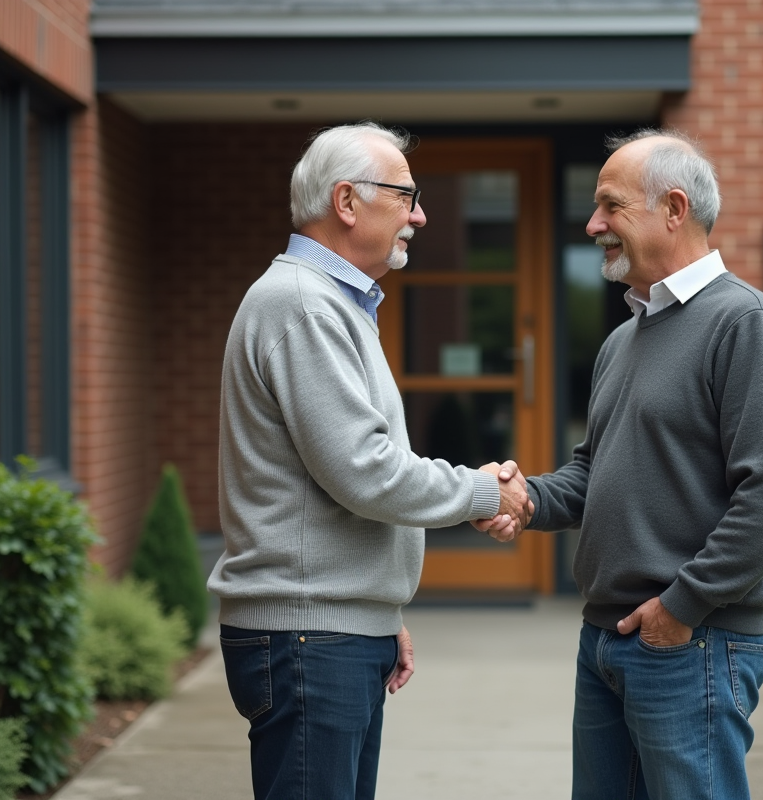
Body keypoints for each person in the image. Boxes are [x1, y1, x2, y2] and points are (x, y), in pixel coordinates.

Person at [208, 122, 530, 800]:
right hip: (309, 640)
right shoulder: (304, 304)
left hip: (328, 631)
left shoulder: (331, 303)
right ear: (347, 201)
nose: (419, 215)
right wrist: (483, 491)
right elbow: (366, 471)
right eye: (405, 195)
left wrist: (382, 614)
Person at [497, 129, 763, 799]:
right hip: (606, 641)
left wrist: (682, 606)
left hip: (691, 643)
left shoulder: (745, 324)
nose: (592, 225)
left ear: (674, 209)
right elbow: (592, 471)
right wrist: (526, 498)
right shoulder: (622, 340)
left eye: (610, 206)